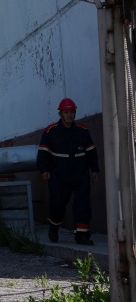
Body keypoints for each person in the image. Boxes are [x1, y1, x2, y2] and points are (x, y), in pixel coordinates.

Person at [38, 97, 100, 245]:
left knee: (82, 205)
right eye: (66, 112)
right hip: (59, 175)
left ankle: (82, 236)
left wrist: (95, 170)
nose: (69, 115)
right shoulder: (50, 131)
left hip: (80, 174)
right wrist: (44, 170)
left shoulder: (83, 131)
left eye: (72, 112)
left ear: (75, 113)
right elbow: (43, 153)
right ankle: (54, 227)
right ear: (61, 114)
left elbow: (91, 152)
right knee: (58, 204)